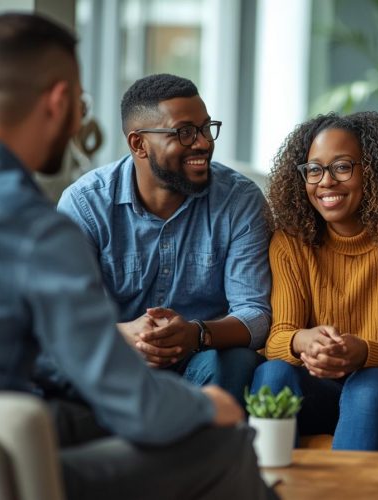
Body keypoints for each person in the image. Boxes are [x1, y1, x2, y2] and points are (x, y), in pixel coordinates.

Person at [0, 13, 272, 500]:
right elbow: (129, 402)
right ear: (59, 101)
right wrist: (208, 407)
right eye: (81, 104)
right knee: (223, 444)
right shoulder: (37, 228)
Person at [45, 73, 271, 405]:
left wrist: (196, 333)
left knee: (236, 360)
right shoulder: (85, 204)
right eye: (185, 132)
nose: (203, 143)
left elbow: (255, 312)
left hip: (201, 356)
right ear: (139, 144)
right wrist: (127, 334)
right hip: (115, 358)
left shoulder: (239, 200)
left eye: (206, 128)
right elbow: (63, 314)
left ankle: (209, 438)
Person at [251, 112, 378, 451]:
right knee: (272, 374)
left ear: (376, 171)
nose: (326, 181)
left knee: (367, 385)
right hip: (318, 392)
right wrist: (304, 341)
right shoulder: (290, 243)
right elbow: (278, 338)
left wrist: (365, 353)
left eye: (342, 167)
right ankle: (265, 478)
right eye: (314, 169)